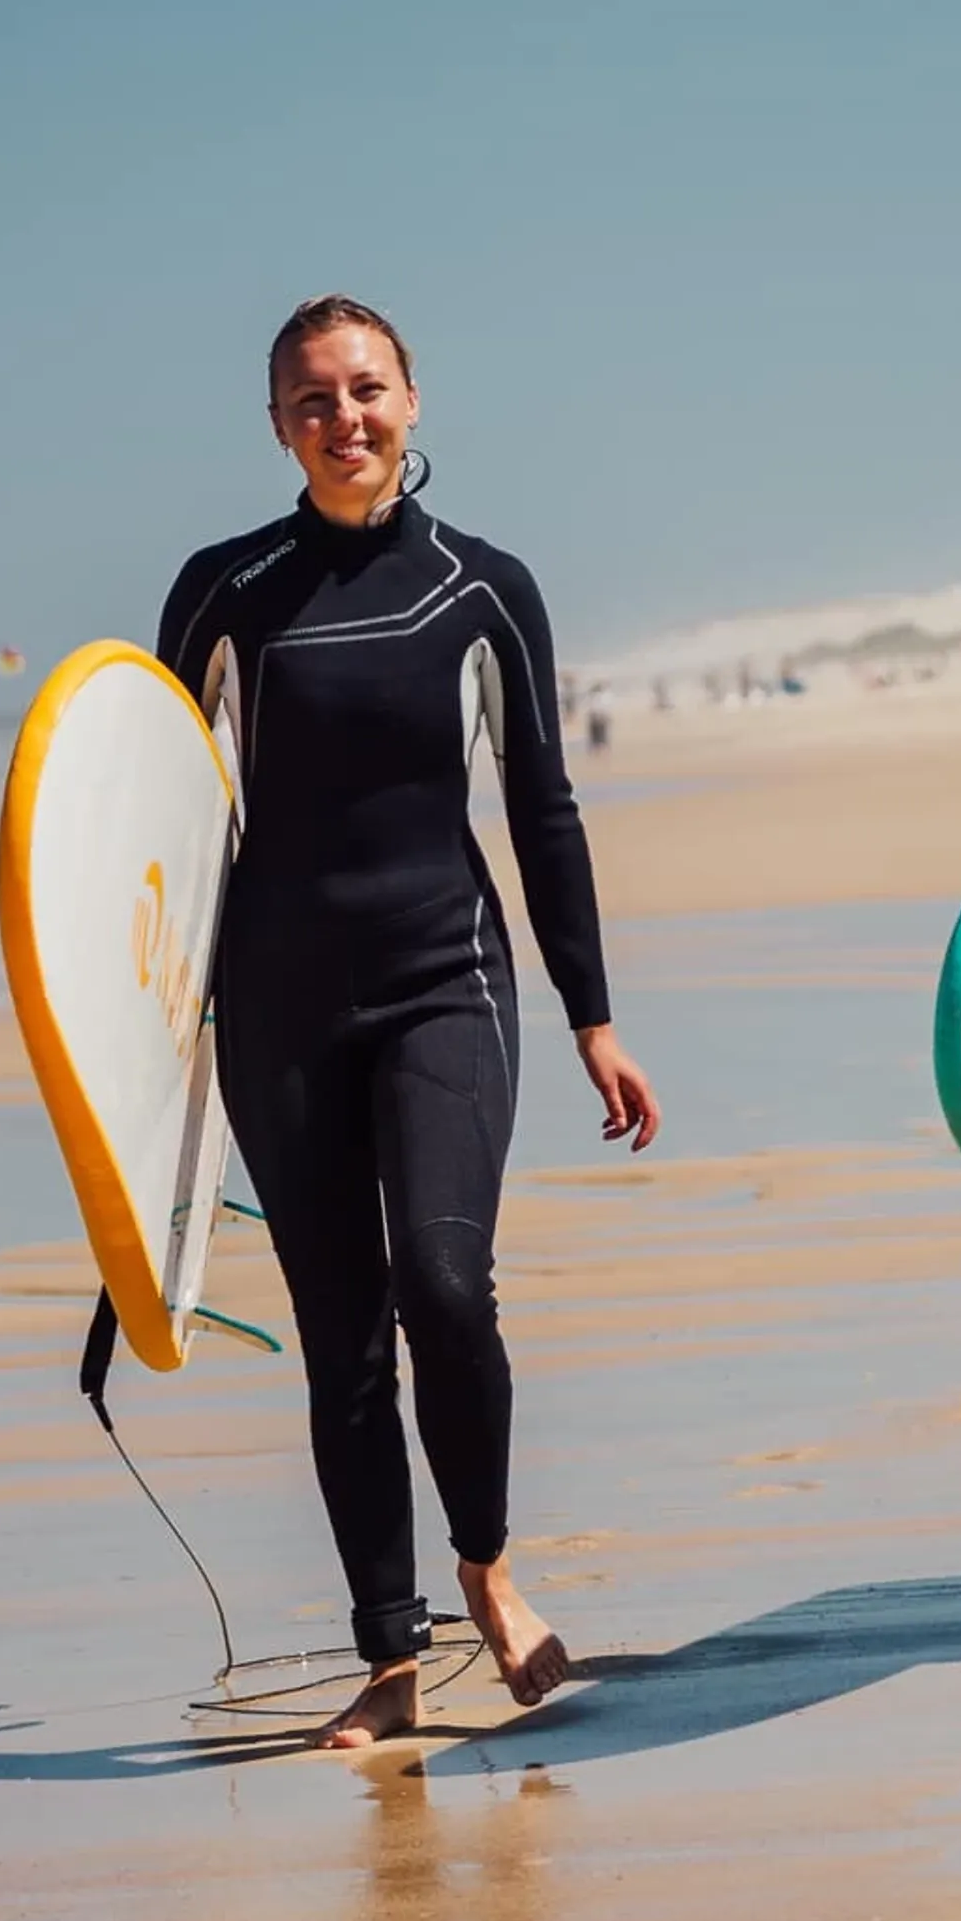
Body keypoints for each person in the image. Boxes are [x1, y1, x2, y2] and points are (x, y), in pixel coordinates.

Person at [155, 295, 662, 1749]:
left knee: (445, 1285)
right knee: (340, 1338)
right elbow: (158, 823)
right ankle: (390, 1657)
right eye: (313, 399)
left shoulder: (479, 588)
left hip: (447, 978)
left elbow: (541, 804)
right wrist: (149, 1051)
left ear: (414, 399)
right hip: (278, 1005)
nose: (345, 418)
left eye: (366, 389)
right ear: (276, 424)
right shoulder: (221, 591)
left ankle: (489, 1574)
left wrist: (594, 1016)